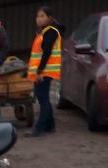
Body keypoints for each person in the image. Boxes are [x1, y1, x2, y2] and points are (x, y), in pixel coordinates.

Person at [26, 6, 63, 137]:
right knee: (44, 99)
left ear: (49, 18)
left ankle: (39, 127)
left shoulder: (50, 31)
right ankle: (50, 125)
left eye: (42, 16)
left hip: (44, 72)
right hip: (44, 71)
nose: (39, 19)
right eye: (38, 16)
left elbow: (46, 52)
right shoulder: (44, 32)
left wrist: (39, 71)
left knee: (43, 100)